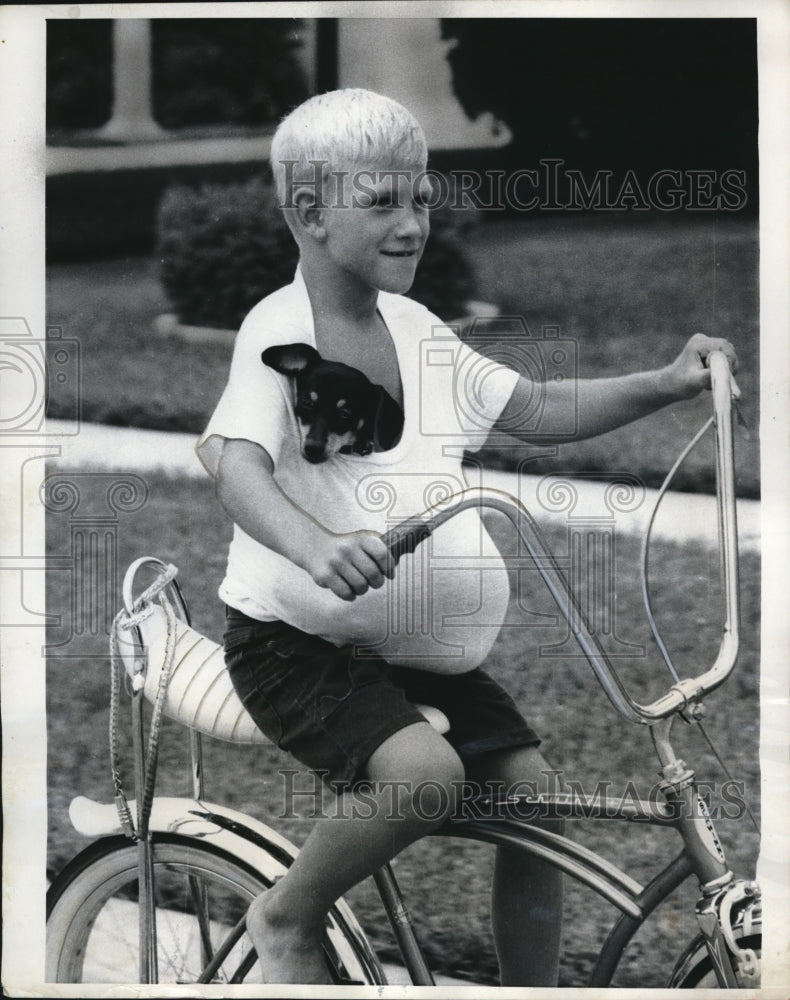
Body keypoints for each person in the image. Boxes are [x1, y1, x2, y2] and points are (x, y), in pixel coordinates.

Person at [196, 89, 737, 985]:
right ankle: (286, 914)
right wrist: (314, 547)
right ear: (308, 212)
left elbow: (532, 407)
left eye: (422, 198)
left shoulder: (416, 329)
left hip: (417, 656)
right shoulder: (280, 331)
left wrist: (666, 380)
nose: (413, 224)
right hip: (301, 648)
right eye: (382, 202)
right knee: (423, 777)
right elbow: (235, 463)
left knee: (536, 801)